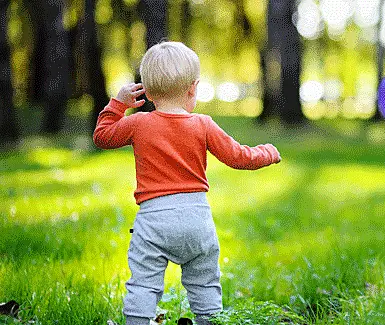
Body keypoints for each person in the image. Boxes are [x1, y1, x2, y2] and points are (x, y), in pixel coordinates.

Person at [93, 41, 281, 325]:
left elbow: (102, 136)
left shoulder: (139, 123)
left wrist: (118, 103)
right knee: (205, 283)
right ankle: (209, 320)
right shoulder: (203, 124)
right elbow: (240, 157)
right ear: (193, 88)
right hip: (196, 219)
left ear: (149, 91)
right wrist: (267, 152)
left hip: (153, 221)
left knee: (144, 284)